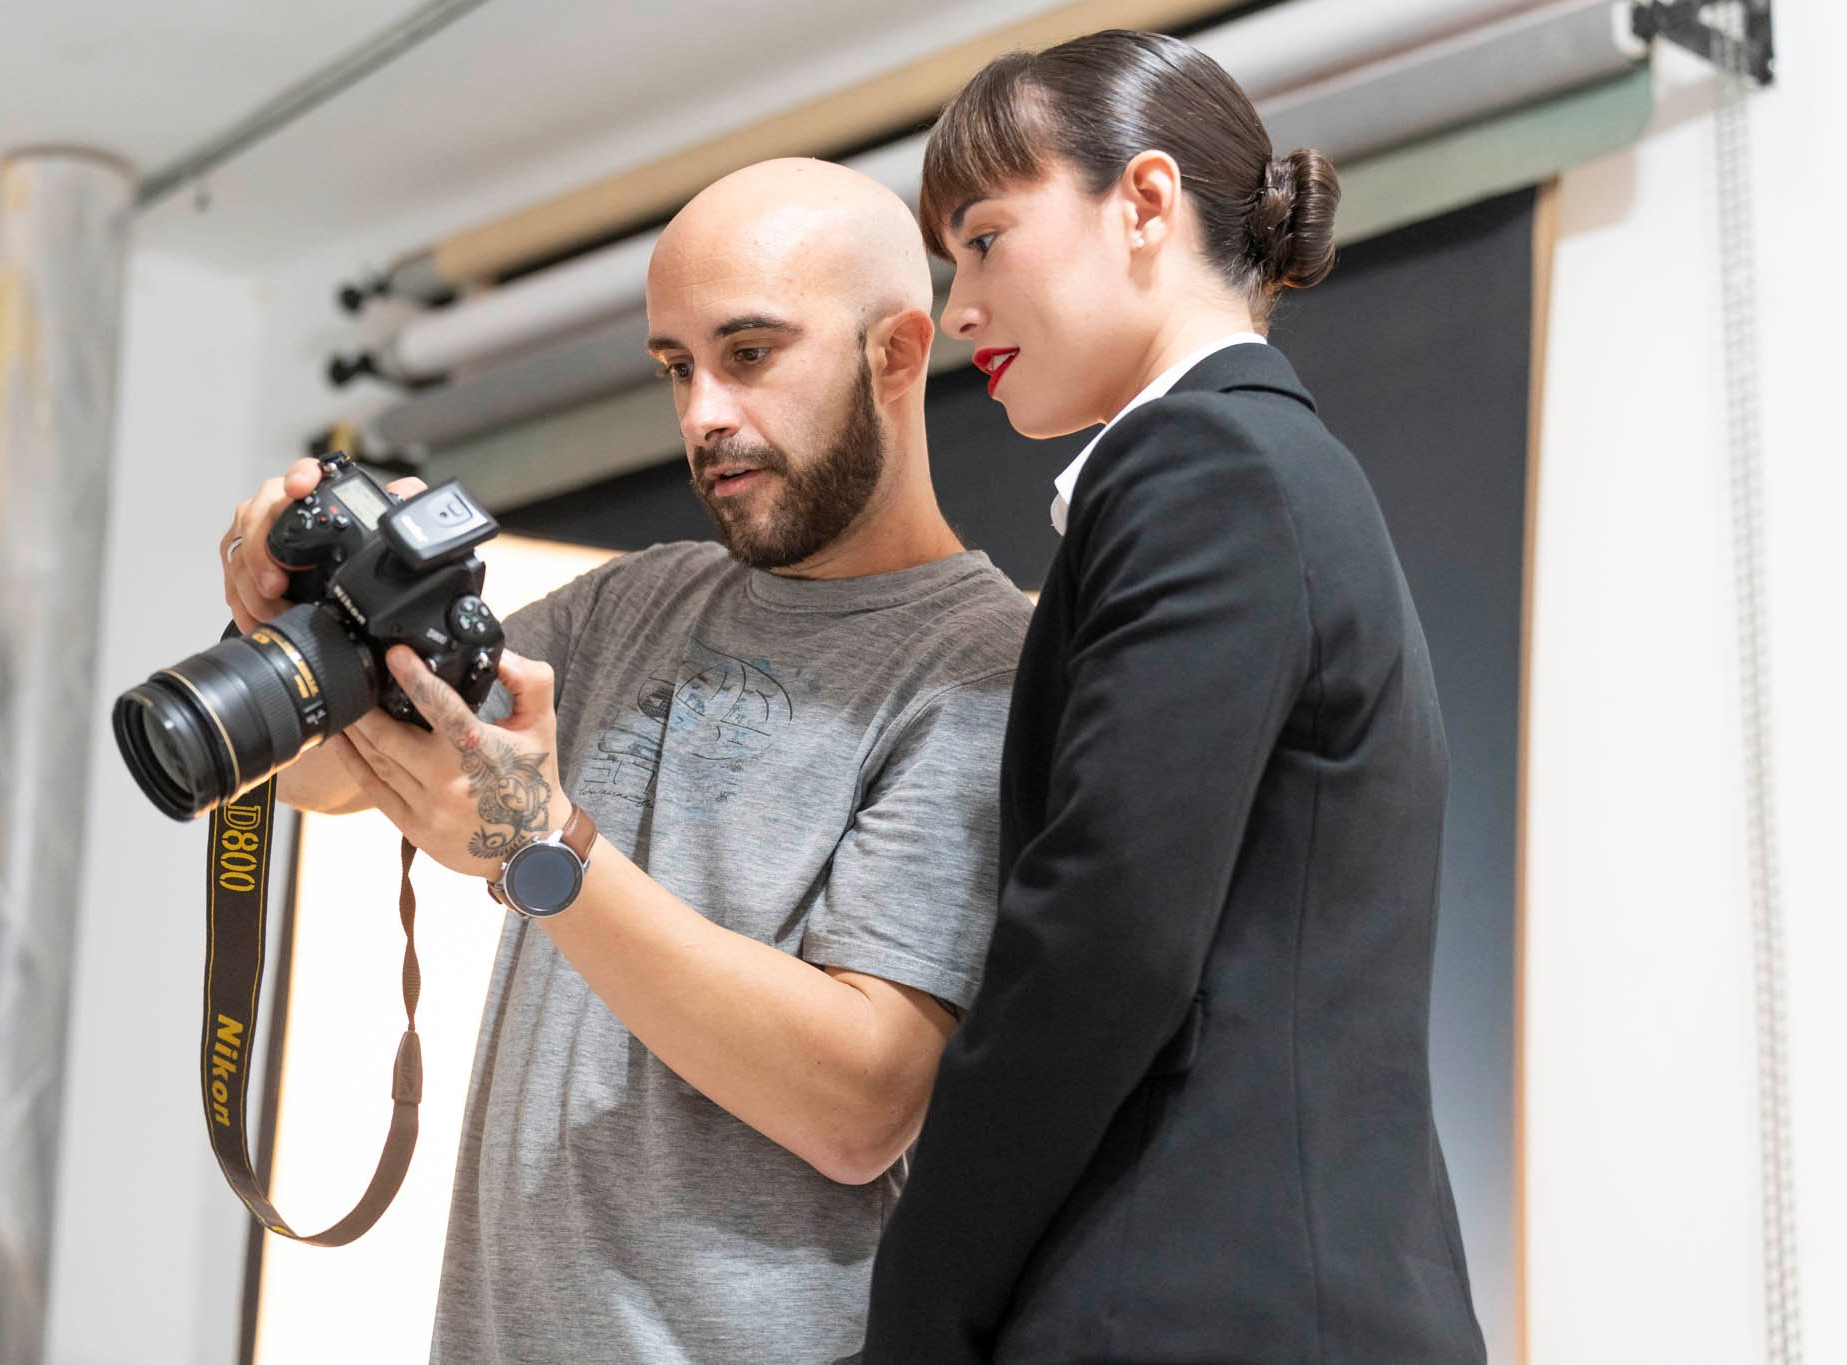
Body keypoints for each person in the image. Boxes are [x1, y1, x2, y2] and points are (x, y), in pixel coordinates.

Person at [219, 158, 1033, 1365]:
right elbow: (325, 777)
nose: (702, 411)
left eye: (748, 353)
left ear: (897, 355)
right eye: (674, 366)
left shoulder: (984, 664)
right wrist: (285, 624)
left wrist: (539, 845)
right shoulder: (639, 603)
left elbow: (859, 1105)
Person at [864, 31, 1487, 1364]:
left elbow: (1101, 932)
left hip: (1189, 1302)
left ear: (1144, 204)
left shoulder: (1203, 463)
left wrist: (918, 1310)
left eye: (983, 238)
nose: (959, 305)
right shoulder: (1270, 468)